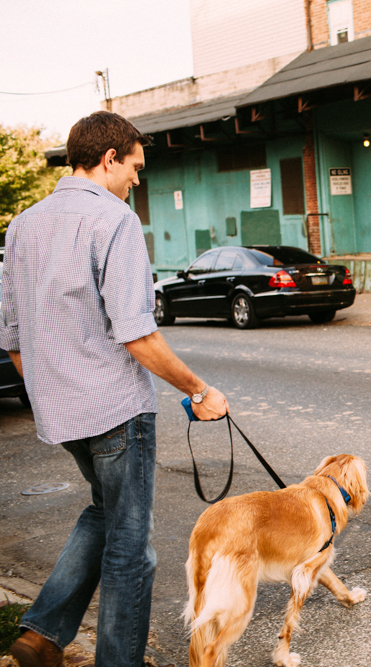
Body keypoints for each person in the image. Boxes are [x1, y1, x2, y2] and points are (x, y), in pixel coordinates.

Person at [0, 111, 229, 667]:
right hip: (115, 413)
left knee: (103, 513)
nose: (137, 180)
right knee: (132, 549)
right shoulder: (116, 221)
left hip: (60, 414)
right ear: (109, 160)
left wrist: (53, 390)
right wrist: (200, 390)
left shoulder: (21, 225)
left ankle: (43, 634)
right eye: (135, 167)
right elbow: (136, 334)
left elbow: (11, 336)